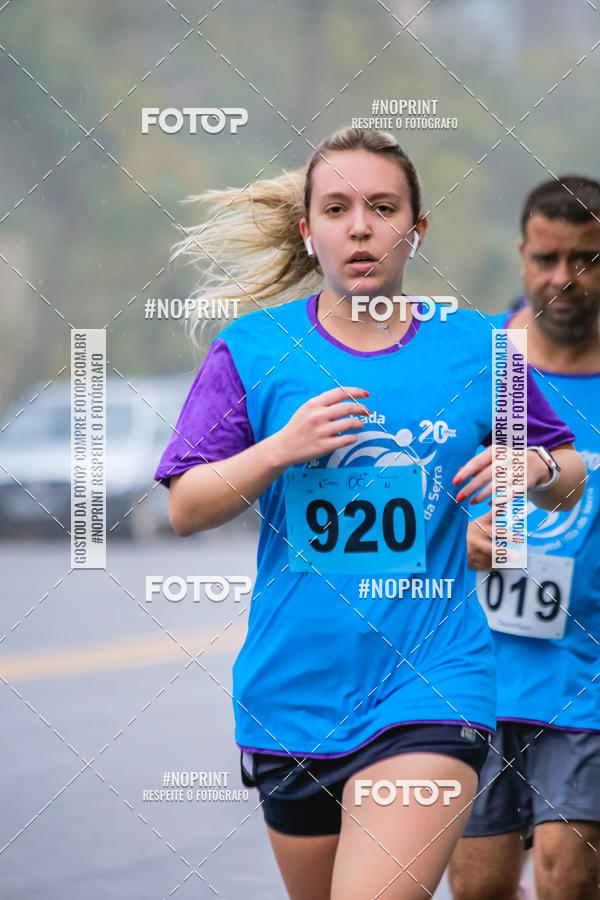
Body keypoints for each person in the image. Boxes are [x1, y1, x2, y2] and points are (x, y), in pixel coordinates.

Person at [154, 128, 585, 900]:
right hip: (291, 693)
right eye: (337, 208)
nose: (360, 226)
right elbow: (187, 506)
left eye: (383, 208)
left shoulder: (478, 348)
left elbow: (569, 476)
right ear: (308, 229)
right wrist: (279, 449)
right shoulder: (255, 350)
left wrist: (539, 464)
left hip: (434, 682)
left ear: (415, 230)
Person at [449, 176, 600, 900]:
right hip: (474, 668)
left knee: (567, 877)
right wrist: (455, 536)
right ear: (521, 254)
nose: (563, 279)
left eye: (586, 258)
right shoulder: (478, 362)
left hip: (586, 676)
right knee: (478, 888)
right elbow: (418, 484)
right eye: (546, 258)